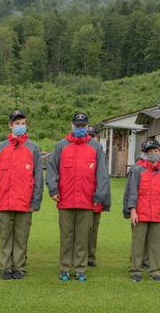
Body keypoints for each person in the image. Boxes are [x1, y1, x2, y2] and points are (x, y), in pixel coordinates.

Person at [45, 112, 109, 282]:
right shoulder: (61, 146)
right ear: (72, 126)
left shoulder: (96, 147)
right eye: (77, 125)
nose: (80, 128)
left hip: (88, 200)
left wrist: (99, 195)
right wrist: (53, 190)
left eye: (83, 126)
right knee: (66, 237)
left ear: (87, 127)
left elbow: (102, 174)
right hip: (65, 200)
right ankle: (64, 268)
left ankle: (80, 269)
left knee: (82, 237)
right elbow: (51, 170)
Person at [0, 110, 44, 280]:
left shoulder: (33, 148)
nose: (20, 126)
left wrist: (35, 201)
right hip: (3, 202)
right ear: (10, 125)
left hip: (24, 203)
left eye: (23, 123)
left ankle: (19, 267)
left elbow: (38, 177)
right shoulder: (0, 148)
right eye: (17, 123)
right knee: (5, 237)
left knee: (21, 237)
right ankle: (6, 267)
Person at [123, 140, 160, 282]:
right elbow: (133, 192)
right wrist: (133, 211)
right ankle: (136, 271)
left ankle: (155, 271)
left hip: (157, 214)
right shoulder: (138, 170)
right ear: (144, 154)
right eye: (150, 152)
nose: (153, 154)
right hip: (141, 213)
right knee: (138, 243)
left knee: (155, 243)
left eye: (156, 151)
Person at [86, 125, 111, 268]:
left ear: (97, 137)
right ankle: (77, 255)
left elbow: (104, 178)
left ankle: (90, 256)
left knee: (93, 230)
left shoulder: (99, 152)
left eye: (93, 136)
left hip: (96, 199)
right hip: (83, 197)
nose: (91, 138)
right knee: (80, 230)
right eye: (89, 135)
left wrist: (104, 199)